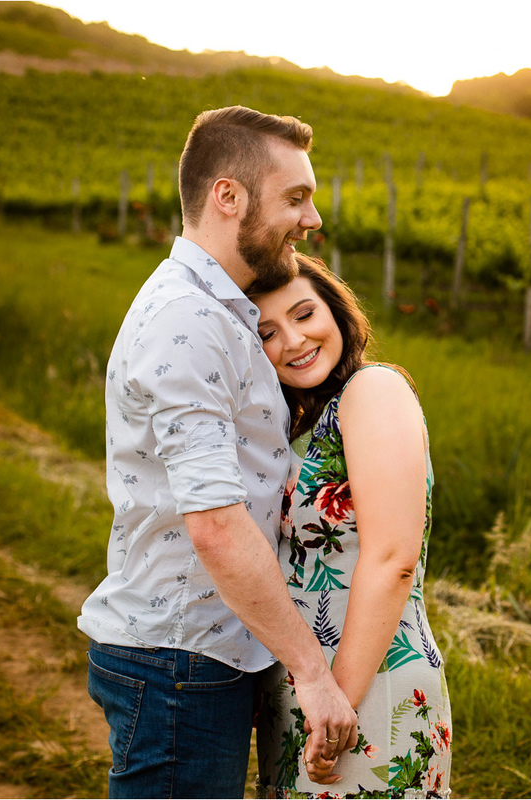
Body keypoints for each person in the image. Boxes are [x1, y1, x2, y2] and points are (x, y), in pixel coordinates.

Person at [78, 106, 358, 799]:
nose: (312, 219)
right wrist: (313, 674)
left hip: (202, 654)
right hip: (181, 662)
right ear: (228, 196)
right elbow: (214, 522)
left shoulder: (222, 309)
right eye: (297, 197)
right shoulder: (189, 319)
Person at [250, 256, 452, 798]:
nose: (292, 340)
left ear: (336, 311)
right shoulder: (304, 423)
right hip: (313, 698)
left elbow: (392, 560)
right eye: (267, 332)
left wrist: (336, 703)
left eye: (304, 314)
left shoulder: (373, 392)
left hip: (368, 688)